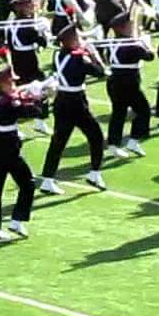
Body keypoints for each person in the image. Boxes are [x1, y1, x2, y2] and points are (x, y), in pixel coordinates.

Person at [38, 23, 108, 195]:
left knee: (58, 141)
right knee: (96, 136)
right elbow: (101, 72)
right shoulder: (78, 58)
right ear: (70, 41)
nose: (81, 40)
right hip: (76, 102)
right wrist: (94, 54)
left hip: (62, 100)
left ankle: (47, 179)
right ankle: (95, 173)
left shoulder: (57, 55)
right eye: (78, 38)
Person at [0, 67, 47, 241]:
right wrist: (39, 98)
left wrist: (27, 97)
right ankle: (17, 220)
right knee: (27, 183)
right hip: (7, 146)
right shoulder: (6, 102)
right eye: (11, 81)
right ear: (2, 84)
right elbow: (31, 112)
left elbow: (19, 105)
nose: (15, 84)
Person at [104, 12, 154, 158]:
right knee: (143, 110)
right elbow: (150, 56)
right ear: (123, 28)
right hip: (128, 82)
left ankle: (114, 144)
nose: (132, 26)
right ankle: (134, 139)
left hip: (114, 81)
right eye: (130, 25)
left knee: (118, 113)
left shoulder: (112, 42)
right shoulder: (132, 45)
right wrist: (147, 43)